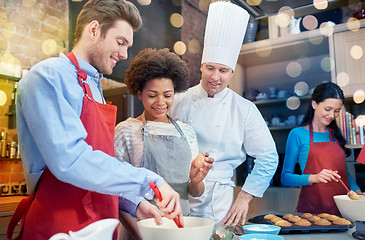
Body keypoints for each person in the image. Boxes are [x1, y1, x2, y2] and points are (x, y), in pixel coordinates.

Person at [7, 1, 182, 239]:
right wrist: (150, 180)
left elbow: (99, 167)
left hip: (99, 225)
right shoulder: (46, 77)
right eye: (120, 42)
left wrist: (135, 204)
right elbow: (71, 160)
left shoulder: (93, 86)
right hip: (59, 226)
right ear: (94, 30)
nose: (124, 54)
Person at [169, 1, 279, 226]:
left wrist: (245, 197)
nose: (215, 77)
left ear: (232, 72)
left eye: (223, 70)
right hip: (177, 194)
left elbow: (268, 157)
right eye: (210, 68)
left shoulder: (244, 109)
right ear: (201, 66)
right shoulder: (178, 100)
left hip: (221, 201)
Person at [114, 48, 214, 239]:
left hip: (180, 230)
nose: (161, 102)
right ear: (139, 93)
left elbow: (195, 193)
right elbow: (117, 192)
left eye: (167, 95)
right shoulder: (126, 131)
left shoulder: (186, 132)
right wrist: (143, 236)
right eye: (152, 95)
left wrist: (196, 180)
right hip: (139, 231)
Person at [281, 82, 364, 215]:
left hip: (343, 212)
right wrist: (314, 178)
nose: (332, 115)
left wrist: (356, 191)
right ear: (314, 104)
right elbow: (285, 178)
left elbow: (344, 174)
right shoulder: (297, 134)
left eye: (336, 111)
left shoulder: (336, 135)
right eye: (327, 109)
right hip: (312, 212)